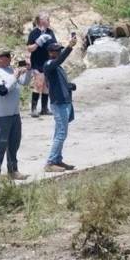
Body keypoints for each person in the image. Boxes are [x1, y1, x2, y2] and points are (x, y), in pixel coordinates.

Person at [0, 49, 32, 181]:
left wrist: (28, 70)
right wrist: (15, 75)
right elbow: (2, 91)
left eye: (9, 56)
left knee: (14, 143)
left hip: (14, 113)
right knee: (0, 143)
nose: (8, 58)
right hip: (1, 115)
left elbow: (24, 82)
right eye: (5, 56)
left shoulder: (11, 69)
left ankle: (13, 170)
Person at [43, 34, 79, 173]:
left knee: (60, 132)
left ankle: (57, 159)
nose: (58, 53)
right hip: (59, 104)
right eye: (56, 51)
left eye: (59, 50)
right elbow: (59, 60)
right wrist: (69, 47)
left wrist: (69, 86)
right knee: (61, 133)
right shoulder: (49, 64)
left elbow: (57, 83)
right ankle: (51, 162)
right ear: (50, 53)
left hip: (65, 102)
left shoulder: (57, 67)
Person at [26, 12, 57, 118]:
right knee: (38, 84)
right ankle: (34, 109)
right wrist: (38, 43)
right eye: (47, 19)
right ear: (41, 21)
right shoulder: (34, 33)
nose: (49, 21)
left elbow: (54, 44)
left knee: (46, 86)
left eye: (49, 19)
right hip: (37, 62)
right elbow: (29, 48)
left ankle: (44, 108)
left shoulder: (50, 32)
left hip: (48, 62)